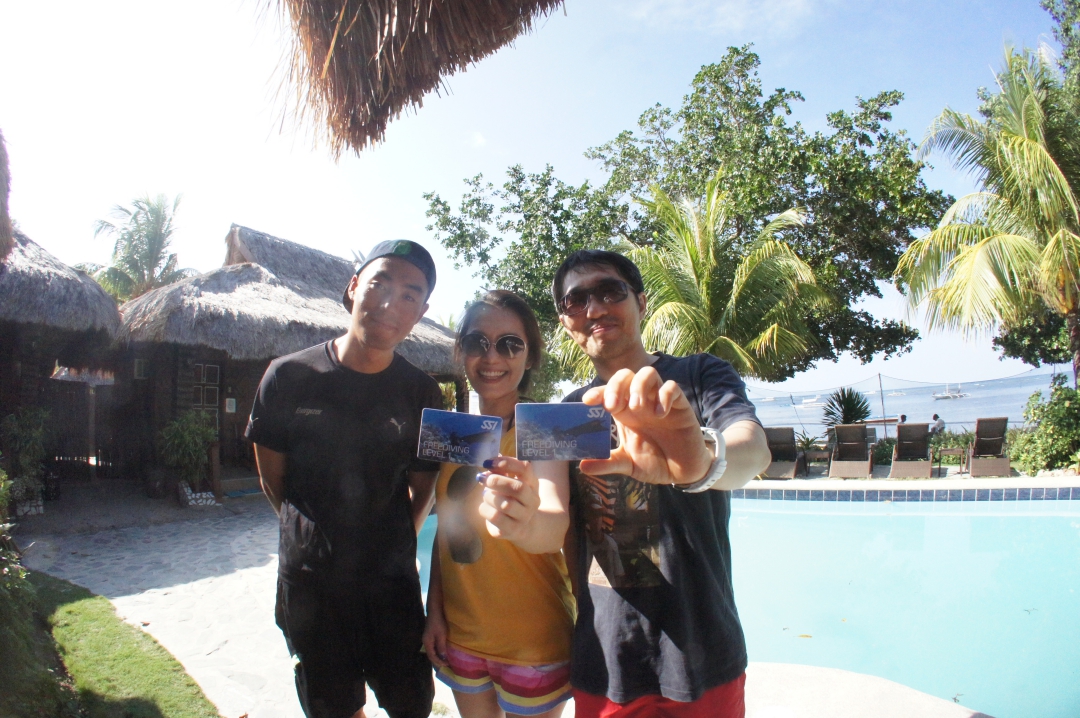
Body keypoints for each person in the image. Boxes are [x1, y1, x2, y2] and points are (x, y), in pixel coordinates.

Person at [552, 249, 772, 717]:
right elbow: (570, 530)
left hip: (703, 648)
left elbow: (753, 449)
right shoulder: (571, 411)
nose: (595, 308)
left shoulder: (699, 375)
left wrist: (702, 462)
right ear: (566, 321)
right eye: (577, 300)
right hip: (606, 656)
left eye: (610, 291)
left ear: (640, 302)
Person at [246, 240, 442, 718]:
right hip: (311, 587)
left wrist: (394, 541)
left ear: (421, 313)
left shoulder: (421, 392)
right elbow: (273, 480)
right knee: (332, 707)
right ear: (354, 286)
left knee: (410, 704)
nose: (391, 302)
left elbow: (424, 487)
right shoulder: (288, 377)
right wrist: (313, 535)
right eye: (380, 283)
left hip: (391, 588)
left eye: (410, 295)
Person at [423, 290, 576, 718]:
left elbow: (554, 523)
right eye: (478, 342)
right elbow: (447, 532)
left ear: (530, 357)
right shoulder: (454, 432)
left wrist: (526, 522)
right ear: (461, 351)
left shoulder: (546, 426)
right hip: (462, 637)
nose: (492, 356)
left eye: (510, 344)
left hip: (534, 642)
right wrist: (434, 610)